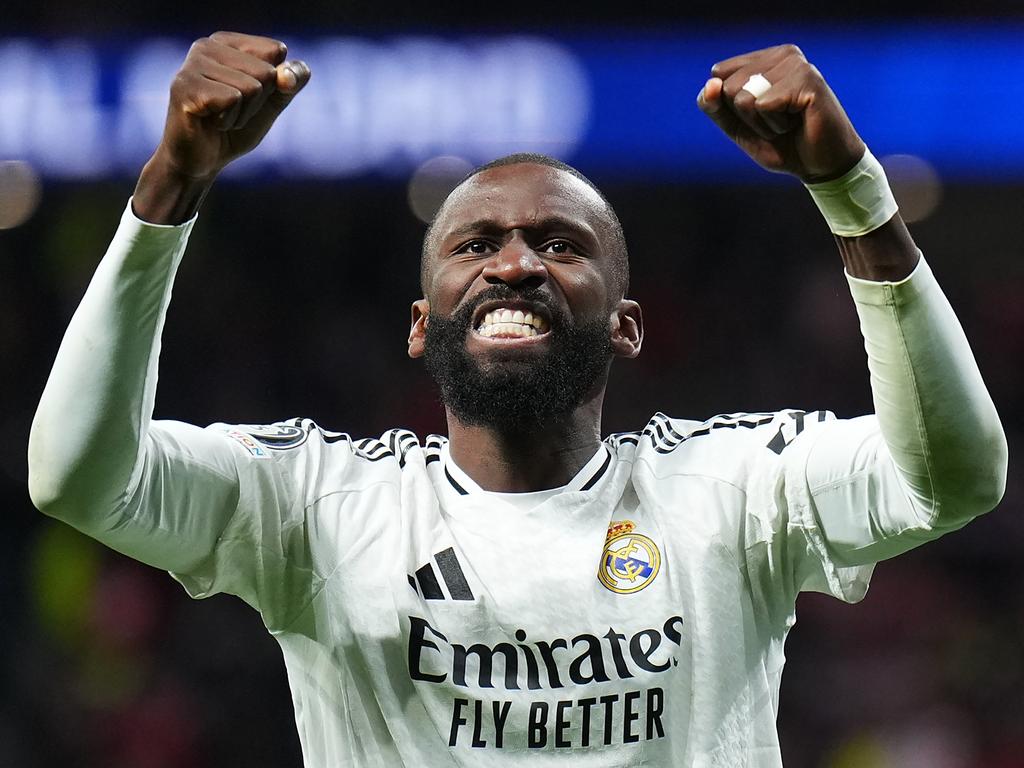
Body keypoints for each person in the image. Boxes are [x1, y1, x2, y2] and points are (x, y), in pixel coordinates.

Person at [28, 31, 1006, 767]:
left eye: (561, 244)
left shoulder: (730, 486)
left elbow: (957, 477)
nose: (515, 265)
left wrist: (849, 190)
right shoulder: (318, 505)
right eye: (475, 243)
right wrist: (171, 184)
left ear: (626, 324)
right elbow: (76, 477)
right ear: (420, 325)